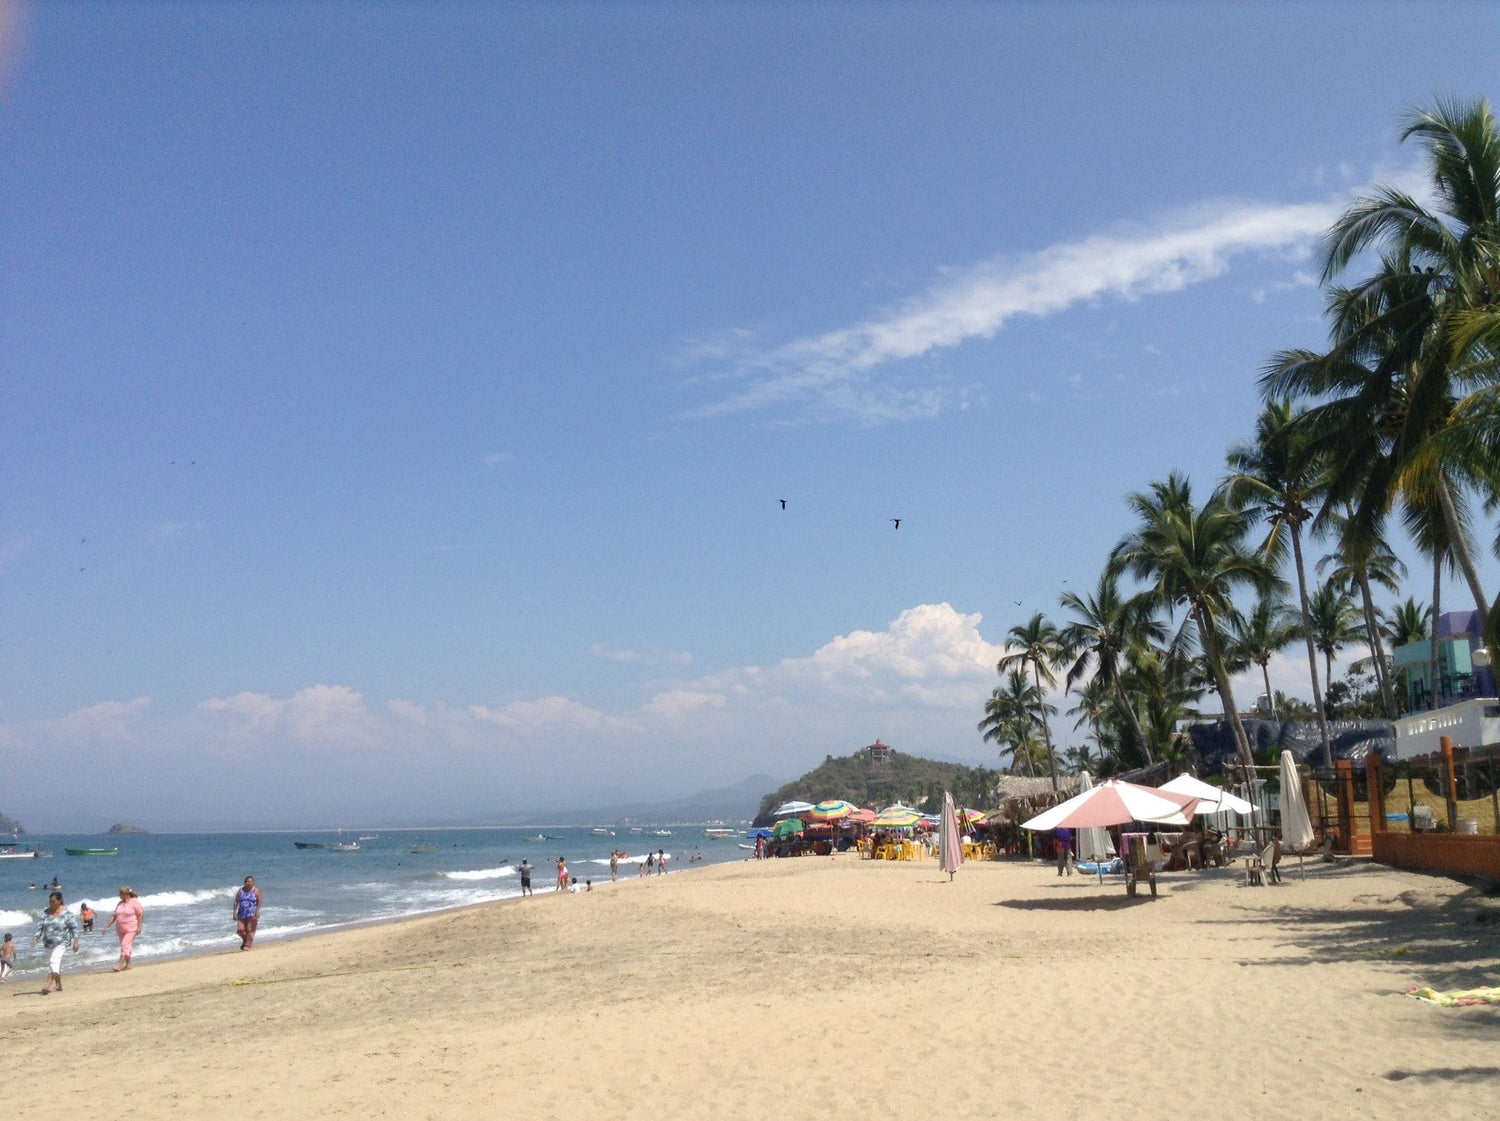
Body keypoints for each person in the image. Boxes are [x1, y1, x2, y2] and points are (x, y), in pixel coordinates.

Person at [32, 891, 80, 994]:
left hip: (61, 942)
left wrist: (76, 941)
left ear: (60, 901)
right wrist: (35, 938)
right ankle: (59, 986)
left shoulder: (67, 914)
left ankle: (47, 985)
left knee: (54, 961)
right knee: (53, 964)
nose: (51, 903)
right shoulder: (45, 913)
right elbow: (40, 927)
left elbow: (74, 928)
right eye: (50, 901)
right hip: (48, 943)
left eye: (53, 901)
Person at [102, 885, 144, 971]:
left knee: (125, 945)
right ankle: (128, 964)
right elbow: (114, 916)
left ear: (126, 894)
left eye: (120, 894)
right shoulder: (120, 904)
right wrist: (106, 926)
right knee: (125, 947)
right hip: (120, 929)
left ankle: (119, 964)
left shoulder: (134, 902)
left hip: (131, 928)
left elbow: (140, 914)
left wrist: (139, 927)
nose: (119, 895)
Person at [233, 876, 262, 951]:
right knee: (240, 930)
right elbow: (236, 901)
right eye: (247, 882)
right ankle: (246, 940)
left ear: (253, 882)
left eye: (250, 881)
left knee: (250, 929)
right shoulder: (241, 890)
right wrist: (234, 912)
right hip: (241, 913)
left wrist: (257, 911)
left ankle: (248, 945)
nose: (248, 883)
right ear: (244, 882)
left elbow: (259, 902)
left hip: (252, 913)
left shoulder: (256, 890)